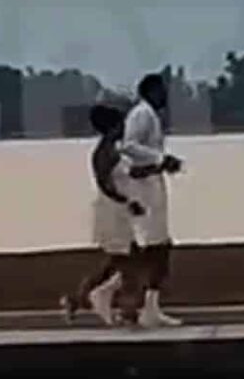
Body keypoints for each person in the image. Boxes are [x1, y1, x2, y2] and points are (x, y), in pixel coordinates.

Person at [61, 103, 146, 326]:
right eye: (122, 124)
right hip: (113, 212)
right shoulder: (103, 153)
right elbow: (105, 184)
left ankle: (78, 299)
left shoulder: (113, 150)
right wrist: (126, 201)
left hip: (119, 211)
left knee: (115, 263)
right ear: (113, 127)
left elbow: (125, 175)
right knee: (129, 264)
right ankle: (128, 310)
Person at [120, 73, 185, 327]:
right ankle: (142, 306)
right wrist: (160, 159)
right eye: (161, 90)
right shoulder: (142, 114)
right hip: (144, 189)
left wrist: (163, 163)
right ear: (150, 91)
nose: (165, 95)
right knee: (156, 248)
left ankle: (148, 305)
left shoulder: (151, 116)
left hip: (152, 184)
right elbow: (128, 145)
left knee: (159, 247)